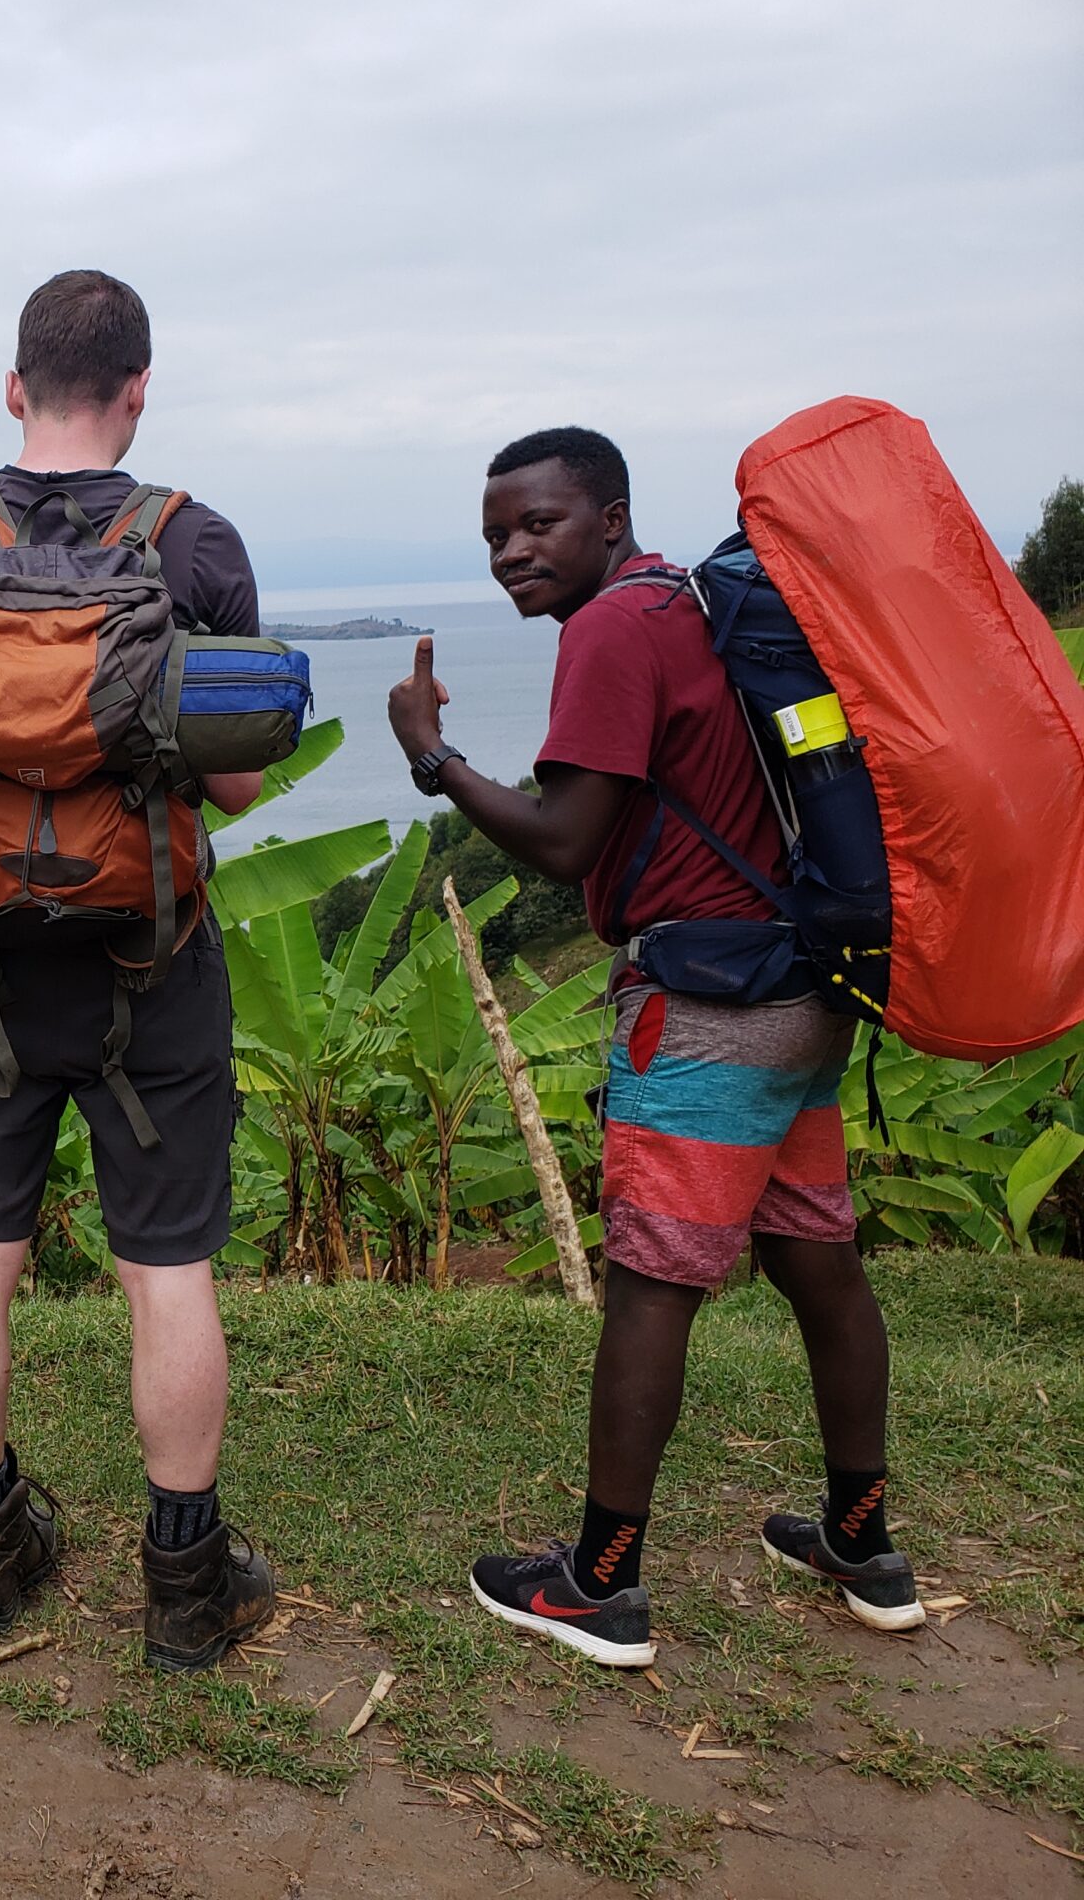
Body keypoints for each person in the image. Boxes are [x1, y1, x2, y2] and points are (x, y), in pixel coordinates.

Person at [385, 426, 923, 1668]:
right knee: (816, 1264)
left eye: (537, 525)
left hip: (708, 1008)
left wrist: (430, 754)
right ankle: (860, 1539)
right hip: (799, 988)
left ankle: (599, 1583)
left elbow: (565, 839)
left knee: (651, 1284)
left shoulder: (613, 629)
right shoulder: (686, 604)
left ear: (610, 516)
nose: (513, 554)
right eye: (494, 538)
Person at [0, 271, 277, 1670]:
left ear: (14, 386)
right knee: (168, 1270)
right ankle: (188, 1589)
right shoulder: (191, 543)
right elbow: (249, 780)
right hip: (152, 957)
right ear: (139, 389)